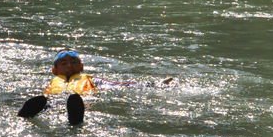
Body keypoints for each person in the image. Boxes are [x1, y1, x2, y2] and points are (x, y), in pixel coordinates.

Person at [18, 50, 173, 125]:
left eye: (73, 62)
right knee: (45, 102)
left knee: (76, 100)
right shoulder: (51, 84)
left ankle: (76, 119)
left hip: (81, 101)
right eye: (64, 64)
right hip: (53, 102)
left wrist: (154, 85)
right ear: (55, 71)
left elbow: (118, 86)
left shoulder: (91, 80)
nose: (69, 66)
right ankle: (27, 115)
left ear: (82, 67)